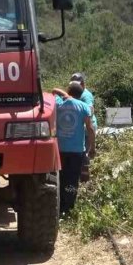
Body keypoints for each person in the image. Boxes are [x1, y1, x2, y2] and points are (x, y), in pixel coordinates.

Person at [52, 81, 96, 217]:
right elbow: (90, 129)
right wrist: (92, 147)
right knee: (72, 180)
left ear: (68, 91)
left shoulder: (58, 103)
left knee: (60, 178)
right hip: (77, 151)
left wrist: (64, 95)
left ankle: (58, 208)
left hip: (59, 150)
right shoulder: (84, 107)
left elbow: (53, 90)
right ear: (81, 94)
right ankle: (68, 209)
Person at [70, 72, 98, 181]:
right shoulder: (74, 92)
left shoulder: (86, 95)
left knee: (84, 153)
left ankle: (85, 180)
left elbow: (90, 109)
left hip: (87, 127)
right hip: (81, 126)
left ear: (83, 84)